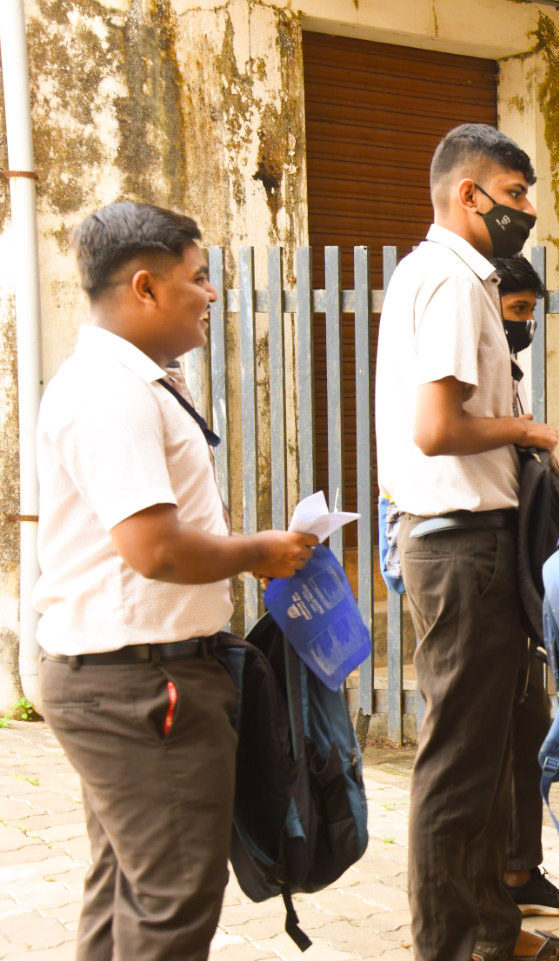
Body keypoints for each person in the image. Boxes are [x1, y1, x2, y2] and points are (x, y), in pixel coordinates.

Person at [33, 202, 318, 960]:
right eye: (197, 277)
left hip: (129, 676)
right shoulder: (112, 390)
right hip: (140, 686)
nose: (210, 292)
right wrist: (256, 551)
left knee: (128, 887)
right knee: (173, 897)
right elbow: (154, 548)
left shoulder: (136, 381)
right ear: (145, 287)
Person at [374, 123, 559, 961]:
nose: (525, 211)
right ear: (469, 194)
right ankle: (452, 942)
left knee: (485, 753)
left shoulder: (433, 275)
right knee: (460, 761)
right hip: (462, 545)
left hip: (462, 541)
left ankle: (490, 927)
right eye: (516, 194)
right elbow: (437, 427)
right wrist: (526, 430)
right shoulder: (455, 282)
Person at [484, 254, 559, 919]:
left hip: (517, 564)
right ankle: (488, 896)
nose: (523, 324)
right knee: (491, 738)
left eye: (529, 312)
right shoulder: (453, 370)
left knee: (528, 721)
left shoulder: (507, 374)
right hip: (481, 567)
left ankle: (520, 872)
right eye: (516, 310)